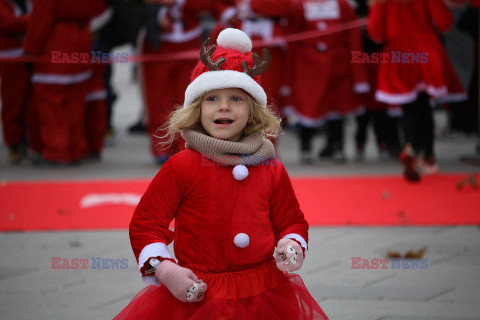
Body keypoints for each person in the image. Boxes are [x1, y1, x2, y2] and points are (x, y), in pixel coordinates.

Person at [114, 28, 329, 320]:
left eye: (236, 99)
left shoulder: (270, 166)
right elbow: (146, 224)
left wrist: (291, 243)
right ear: (197, 109)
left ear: (253, 112)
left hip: (263, 291)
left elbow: (291, 220)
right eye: (212, 98)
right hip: (199, 293)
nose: (224, 106)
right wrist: (165, 269)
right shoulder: (182, 165)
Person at [368, 0, 467, 181]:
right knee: (424, 105)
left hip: (399, 51)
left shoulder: (382, 2)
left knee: (408, 106)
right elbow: (444, 23)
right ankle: (428, 155)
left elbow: (376, 33)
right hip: (425, 48)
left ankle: (411, 146)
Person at [23, 0, 94, 164]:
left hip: (55, 46)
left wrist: (30, 50)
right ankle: (76, 149)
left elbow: (41, 19)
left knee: (51, 105)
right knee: (76, 105)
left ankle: (57, 151)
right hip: (80, 44)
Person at [0, 0, 32, 164]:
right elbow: (8, 23)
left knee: (30, 102)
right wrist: (35, 20)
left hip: (30, 55)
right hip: (11, 58)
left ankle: (27, 141)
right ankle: (14, 144)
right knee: (13, 103)